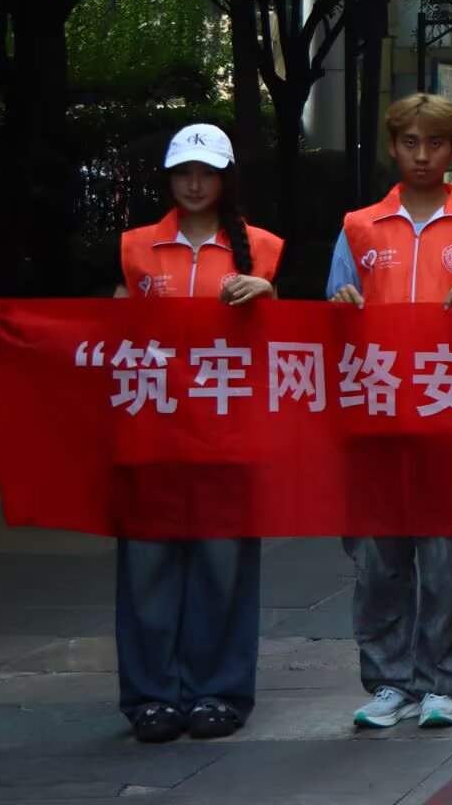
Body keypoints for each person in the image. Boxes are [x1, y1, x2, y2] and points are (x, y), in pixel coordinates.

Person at [324, 93, 452, 730]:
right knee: (377, 562)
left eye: (435, 143)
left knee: (446, 561)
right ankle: (388, 681)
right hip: (377, 418)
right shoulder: (359, 227)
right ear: (393, 146)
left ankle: (442, 683)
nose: (422, 155)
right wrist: (340, 305)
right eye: (410, 142)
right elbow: (332, 312)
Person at [111, 125, 281, 743]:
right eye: (183, 172)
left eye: (206, 172)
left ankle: (220, 692)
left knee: (223, 566)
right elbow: (109, 332)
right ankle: (151, 696)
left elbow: (286, 346)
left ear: (225, 179)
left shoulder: (262, 248)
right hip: (152, 433)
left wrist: (268, 295)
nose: (193, 183)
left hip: (226, 438)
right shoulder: (135, 247)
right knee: (147, 569)